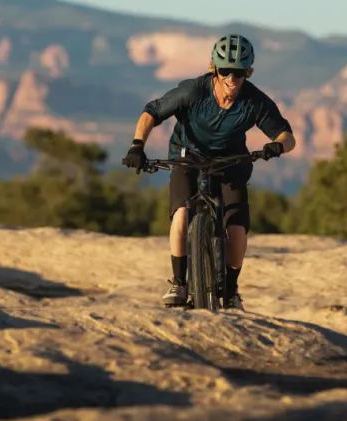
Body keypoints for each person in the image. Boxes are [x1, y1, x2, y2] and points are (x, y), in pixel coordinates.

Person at [122, 34, 296, 310]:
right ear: (214, 69)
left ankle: (231, 290)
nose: (232, 78)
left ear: (248, 73)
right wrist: (136, 146)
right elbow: (151, 113)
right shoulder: (193, 91)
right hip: (187, 157)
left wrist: (276, 146)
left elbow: (288, 136)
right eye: (225, 70)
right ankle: (179, 283)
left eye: (238, 72)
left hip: (231, 163)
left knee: (237, 230)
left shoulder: (254, 101)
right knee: (181, 215)